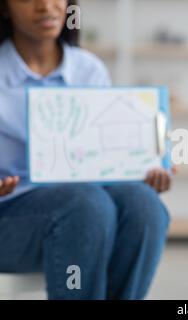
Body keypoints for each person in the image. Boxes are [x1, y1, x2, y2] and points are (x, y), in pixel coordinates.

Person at [0, 0, 171, 299]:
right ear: (4, 7)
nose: (45, 6)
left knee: (144, 204)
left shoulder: (88, 69)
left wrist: (143, 166)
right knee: (86, 203)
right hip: (12, 221)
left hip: (88, 217)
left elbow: (104, 157)